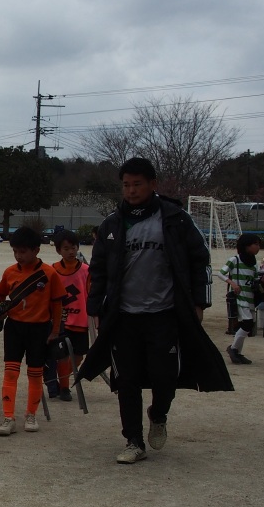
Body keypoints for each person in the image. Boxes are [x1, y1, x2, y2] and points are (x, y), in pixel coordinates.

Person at [79, 158, 233, 464]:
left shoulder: (176, 219)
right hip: (123, 316)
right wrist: (95, 308)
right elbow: (98, 270)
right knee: (127, 380)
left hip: (164, 314)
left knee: (165, 377)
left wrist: (199, 303)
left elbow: (199, 260)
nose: (131, 191)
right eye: (126, 185)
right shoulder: (112, 224)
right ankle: (133, 441)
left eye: (137, 184)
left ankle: (158, 413)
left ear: (153, 184)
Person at [0, 226, 66, 436]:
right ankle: (8, 417)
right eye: (15, 251)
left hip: (39, 329)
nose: (18, 256)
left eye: (23, 251)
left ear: (36, 250)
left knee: (35, 374)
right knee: (10, 372)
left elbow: (57, 304)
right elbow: (0, 298)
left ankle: (31, 415)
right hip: (14, 328)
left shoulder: (49, 274)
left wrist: (55, 331)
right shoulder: (9, 272)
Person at [50, 230, 90, 401]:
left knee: (79, 355)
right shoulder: (53, 270)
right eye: (66, 248)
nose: (70, 252)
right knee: (62, 355)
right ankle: (64, 388)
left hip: (80, 320)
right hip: (61, 321)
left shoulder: (86, 270)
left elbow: (91, 292)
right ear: (58, 250)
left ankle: (62, 379)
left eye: (73, 248)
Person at [217, 233, 262, 365]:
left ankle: (237, 352)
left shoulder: (254, 263)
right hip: (240, 298)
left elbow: (255, 280)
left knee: (247, 325)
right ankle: (233, 349)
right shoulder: (235, 260)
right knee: (247, 323)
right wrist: (232, 283)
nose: (258, 247)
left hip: (250, 298)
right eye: (255, 244)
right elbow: (220, 273)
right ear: (246, 246)